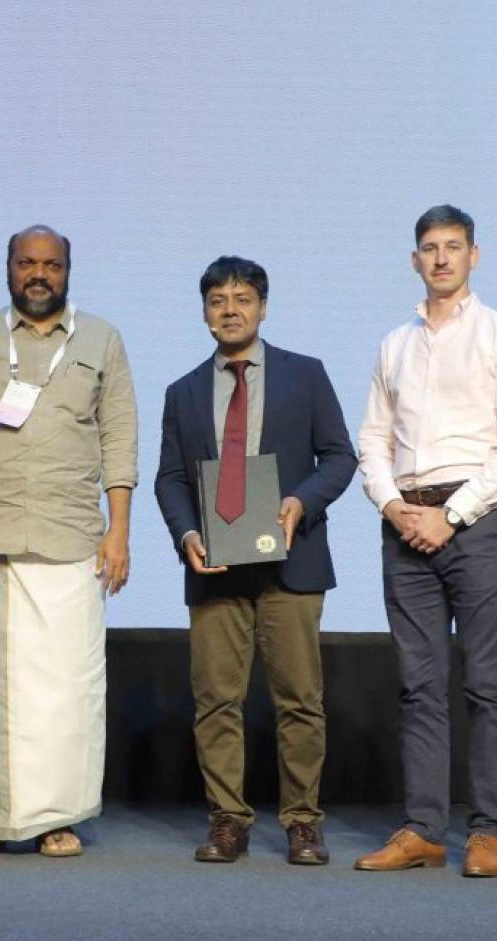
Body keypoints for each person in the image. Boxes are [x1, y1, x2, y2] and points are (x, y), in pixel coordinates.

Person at [0, 225, 137, 858]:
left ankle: (57, 817)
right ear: (9, 268)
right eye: (27, 263)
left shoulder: (102, 339)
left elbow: (119, 442)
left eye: (51, 264)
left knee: (66, 688)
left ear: (69, 271)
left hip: (72, 537)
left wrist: (118, 532)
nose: (38, 274)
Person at [354, 205, 497, 879]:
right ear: (414, 260)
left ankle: (487, 831)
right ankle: (424, 829)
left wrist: (451, 515)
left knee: (488, 684)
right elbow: (372, 439)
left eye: (452, 247)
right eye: (429, 248)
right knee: (418, 685)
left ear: (474, 256)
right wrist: (395, 504)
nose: (440, 259)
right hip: (406, 523)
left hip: (479, 522)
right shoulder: (394, 344)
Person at [152, 256, 356, 866]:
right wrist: (187, 534)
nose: (230, 309)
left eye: (242, 298)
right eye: (218, 300)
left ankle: (301, 822)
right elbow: (168, 479)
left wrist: (300, 502)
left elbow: (339, 457)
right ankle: (227, 821)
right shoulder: (183, 391)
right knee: (216, 700)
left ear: (263, 307)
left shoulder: (306, 374)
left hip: (290, 562)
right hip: (215, 566)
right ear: (205, 311)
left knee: (299, 699)